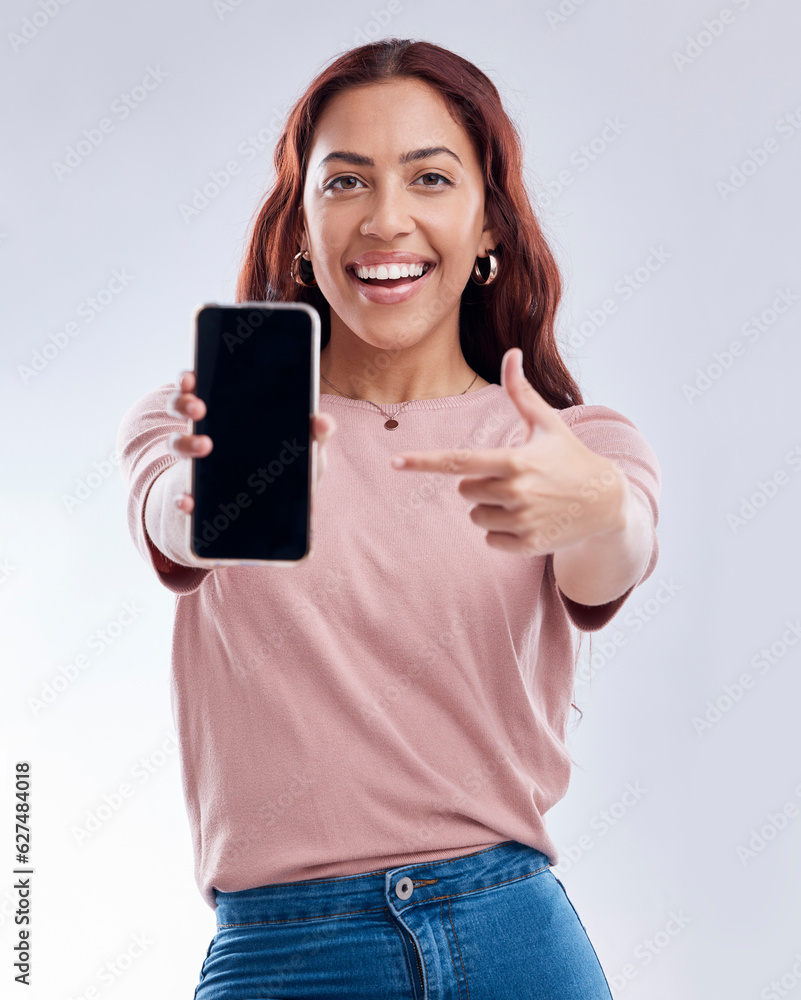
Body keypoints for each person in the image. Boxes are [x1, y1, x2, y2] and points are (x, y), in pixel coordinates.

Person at [116, 37, 661, 1000]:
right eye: (346, 183)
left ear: (487, 224)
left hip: (512, 936)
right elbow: (175, 518)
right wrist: (210, 495)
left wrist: (600, 509)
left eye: (430, 178)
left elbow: (608, 558)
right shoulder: (199, 418)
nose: (387, 220)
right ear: (301, 225)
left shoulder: (571, 440)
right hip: (285, 950)